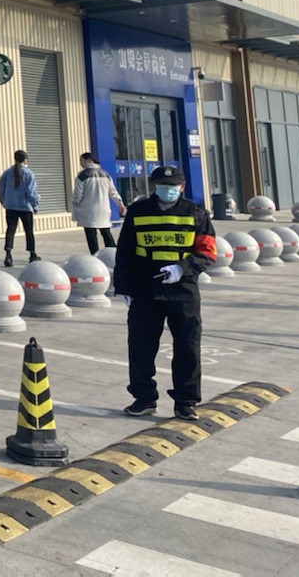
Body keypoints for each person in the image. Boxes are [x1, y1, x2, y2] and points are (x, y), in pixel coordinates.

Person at [113, 165, 216, 420]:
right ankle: (144, 397)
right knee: (141, 347)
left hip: (183, 291)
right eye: (162, 185)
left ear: (182, 187)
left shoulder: (196, 213)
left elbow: (207, 252)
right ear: (154, 186)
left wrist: (182, 268)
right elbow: (124, 252)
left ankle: (186, 401)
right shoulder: (137, 211)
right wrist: (123, 287)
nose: (167, 190)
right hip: (145, 290)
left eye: (172, 186)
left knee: (188, 347)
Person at [72, 152, 125, 254]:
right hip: (103, 209)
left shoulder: (82, 175)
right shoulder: (106, 174)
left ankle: (95, 255)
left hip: (88, 210)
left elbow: (77, 195)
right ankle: (113, 253)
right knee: (106, 232)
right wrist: (120, 204)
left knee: (91, 235)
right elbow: (113, 192)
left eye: (81, 160)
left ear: (89, 160)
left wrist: (75, 205)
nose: (80, 163)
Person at [0, 150, 40, 267]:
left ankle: (8, 255)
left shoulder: (7, 173)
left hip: (11, 206)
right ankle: (32, 254)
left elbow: (1, 189)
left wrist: (4, 201)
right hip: (25, 207)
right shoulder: (28, 173)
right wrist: (35, 205)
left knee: (10, 230)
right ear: (25, 160)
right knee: (29, 231)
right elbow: (31, 192)